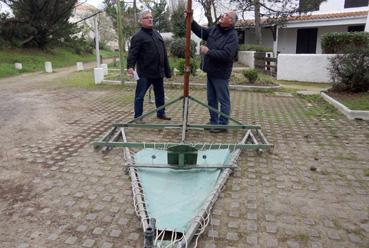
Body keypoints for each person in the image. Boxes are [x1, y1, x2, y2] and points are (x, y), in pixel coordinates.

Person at [191, 11, 239, 133]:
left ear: (231, 21)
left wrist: (208, 52)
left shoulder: (232, 36)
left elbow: (227, 55)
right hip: (210, 71)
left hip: (221, 73)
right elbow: (201, 31)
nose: (222, 16)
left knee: (223, 100)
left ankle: (223, 124)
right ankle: (213, 121)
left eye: (226, 15)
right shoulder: (215, 29)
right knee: (211, 99)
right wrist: (191, 21)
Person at [127, 10, 172, 123]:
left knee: (160, 94)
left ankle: (161, 113)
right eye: (147, 17)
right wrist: (130, 66)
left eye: (151, 17)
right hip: (144, 73)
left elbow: (163, 53)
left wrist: (167, 70)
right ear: (141, 21)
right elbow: (133, 53)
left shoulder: (157, 34)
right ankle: (138, 117)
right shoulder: (138, 36)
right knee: (140, 96)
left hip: (158, 72)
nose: (150, 19)